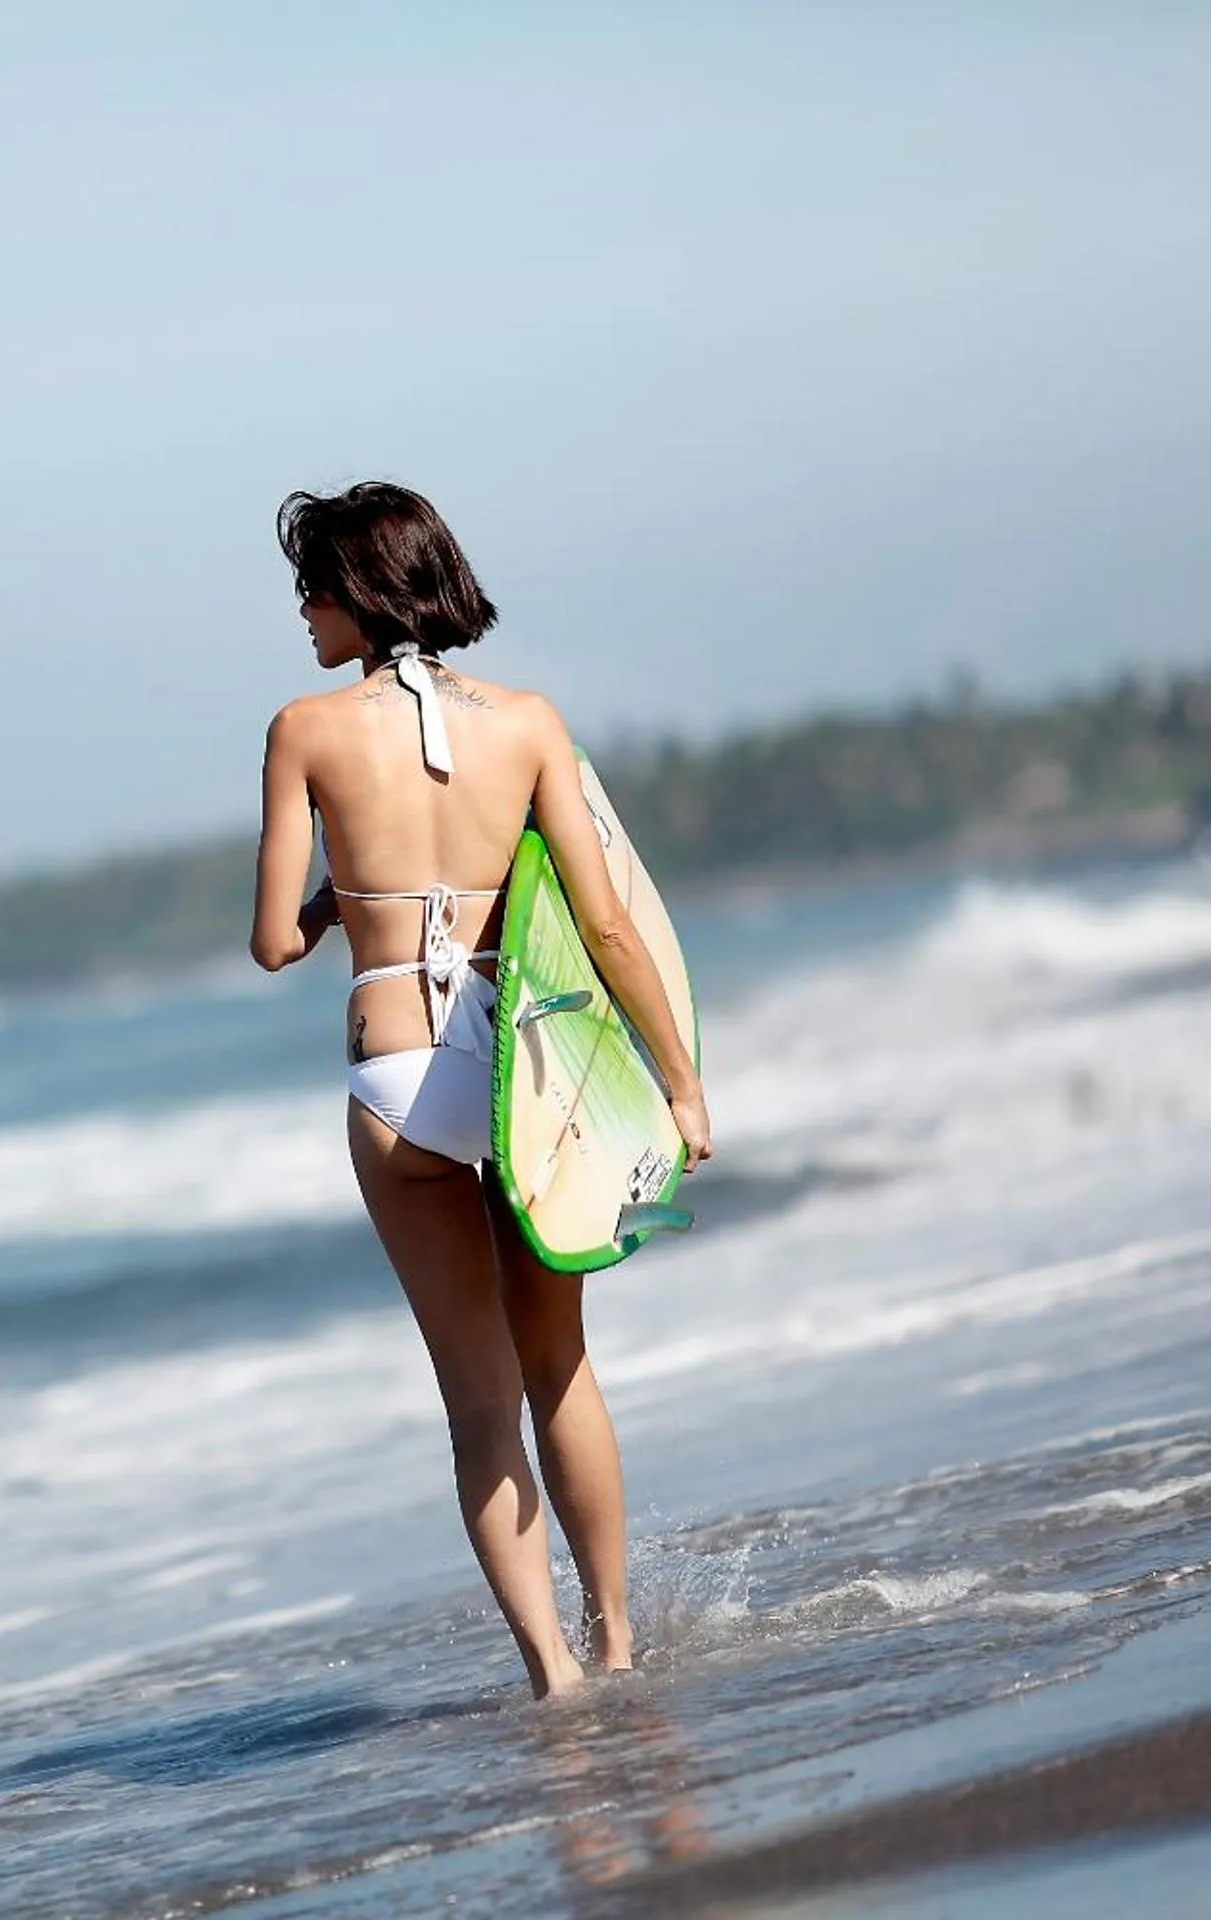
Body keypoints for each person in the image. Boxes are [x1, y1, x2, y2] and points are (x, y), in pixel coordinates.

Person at [249, 481, 712, 1697]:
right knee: (559, 1370)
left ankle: (553, 1675)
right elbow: (605, 923)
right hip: (528, 1069)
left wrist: (340, 895)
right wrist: (680, 1084)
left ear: (360, 592)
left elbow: (273, 944)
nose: (302, 611)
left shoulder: (303, 729)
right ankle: (618, 1640)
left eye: (313, 588)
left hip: (401, 1079)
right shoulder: (527, 722)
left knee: (478, 1405)